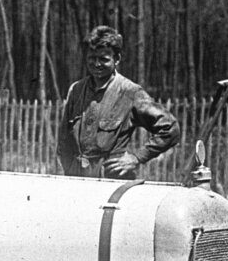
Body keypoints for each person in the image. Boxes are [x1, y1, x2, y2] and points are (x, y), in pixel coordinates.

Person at [57, 25, 180, 180]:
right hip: (76, 180)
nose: (96, 64)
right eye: (92, 58)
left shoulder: (130, 92)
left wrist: (137, 158)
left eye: (104, 59)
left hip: (112, 180)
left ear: (117, 59)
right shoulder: (76, 90)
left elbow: (170, 128)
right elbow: (63, 140)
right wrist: (69, 169)